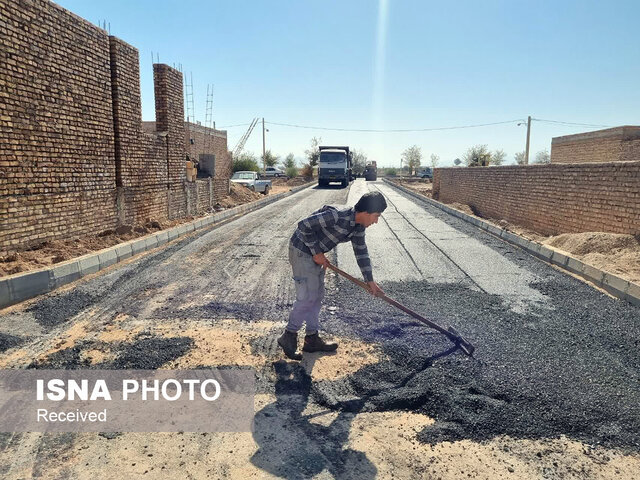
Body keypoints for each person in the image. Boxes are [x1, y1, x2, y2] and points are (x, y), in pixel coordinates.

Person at [278, 191, 387, 360]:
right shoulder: (337, 216)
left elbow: (361, 252)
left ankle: (311, 339)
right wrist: (316, 252)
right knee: (307, 297)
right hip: (301, 251)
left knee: (317, 296)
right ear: (365, 213)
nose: (376, 221)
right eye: (376, 216)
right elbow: (303, 225)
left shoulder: (358, 227)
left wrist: (370, 281)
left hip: (315, 253)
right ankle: (289, 336)